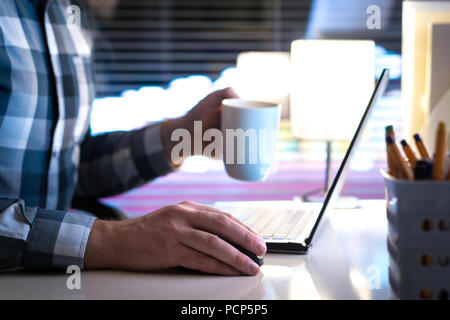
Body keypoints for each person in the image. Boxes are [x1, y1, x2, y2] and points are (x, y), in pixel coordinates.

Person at [0, 0, 266, 276]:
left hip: (45, 282)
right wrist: (113, 240)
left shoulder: (68, 15)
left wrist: (182, 136)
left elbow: (69, 166)